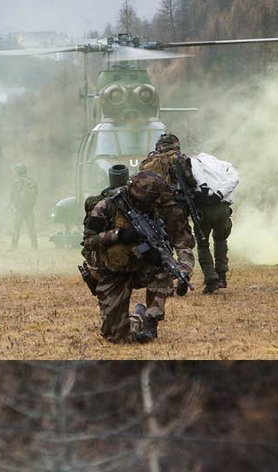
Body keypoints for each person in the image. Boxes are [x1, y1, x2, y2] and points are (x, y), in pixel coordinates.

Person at [81, 170, 190, 344]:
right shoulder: (105, 207)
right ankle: (137, 316)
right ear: (141, 197)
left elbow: (176, 242)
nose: (156, 204)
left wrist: (154, 255)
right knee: (117, 338)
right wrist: (117, 234)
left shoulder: (150, 210)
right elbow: (88, 241)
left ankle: (150, 323)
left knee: (163, 266)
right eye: (152, 200)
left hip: (139, 268)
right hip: (112, 272)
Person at [138, 132, 198, 279]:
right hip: (176, 207)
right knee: (183, 242)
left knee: (162, 245)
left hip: (156, 210)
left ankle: (166, 282)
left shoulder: (148, 161)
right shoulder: (178, 157)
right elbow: (191, 180)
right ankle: (184, 271)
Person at [189, 152, 239, 293]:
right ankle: (222, 275)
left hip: (202, 208)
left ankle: (211, 279)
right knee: (221, 240)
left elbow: (195, 177)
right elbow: (234, 180)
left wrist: (204, 189)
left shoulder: (195, 162)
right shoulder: (225, 165)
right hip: (222, 207)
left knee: (203, 244)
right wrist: (219, 194)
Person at [8, 163, 38, 250]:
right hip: (29, 209)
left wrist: (15, 205)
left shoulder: (16, 182)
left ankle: (14, 247)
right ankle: (35, 246)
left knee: (16, 229)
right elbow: (36, 193)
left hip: (19, 209)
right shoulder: (32, 181)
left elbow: (11, 195)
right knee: (31, 228)